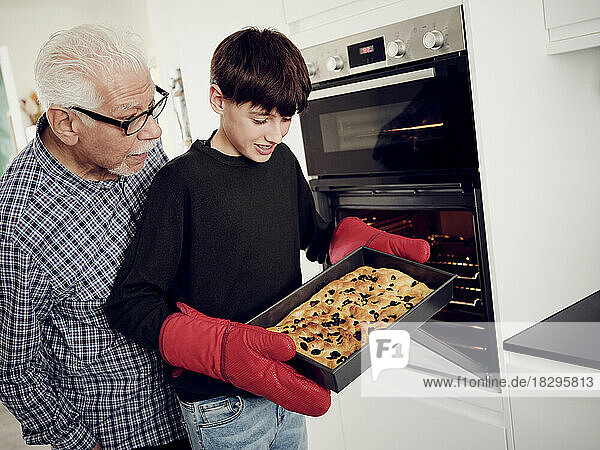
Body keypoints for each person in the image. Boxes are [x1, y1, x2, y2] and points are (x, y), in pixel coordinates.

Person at [104, 27, 430, 450]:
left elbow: (313, 236)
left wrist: (350, 242)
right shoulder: (179, 183)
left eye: (286, 118)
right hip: (222, 407)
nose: (275, 134)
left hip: (289, 380)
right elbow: (132, 301)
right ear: (218, 100)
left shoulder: (281, 161)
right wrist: (216, 349)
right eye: (260, 119)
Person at [0, 25, 190, 450]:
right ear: (66, 122)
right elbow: (15, 366)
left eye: (152, 108)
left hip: (203, 406)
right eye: (132, 118)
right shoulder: (17, 224)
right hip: (127, 433)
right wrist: (81, 443)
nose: (154, 133)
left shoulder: (137, 147)